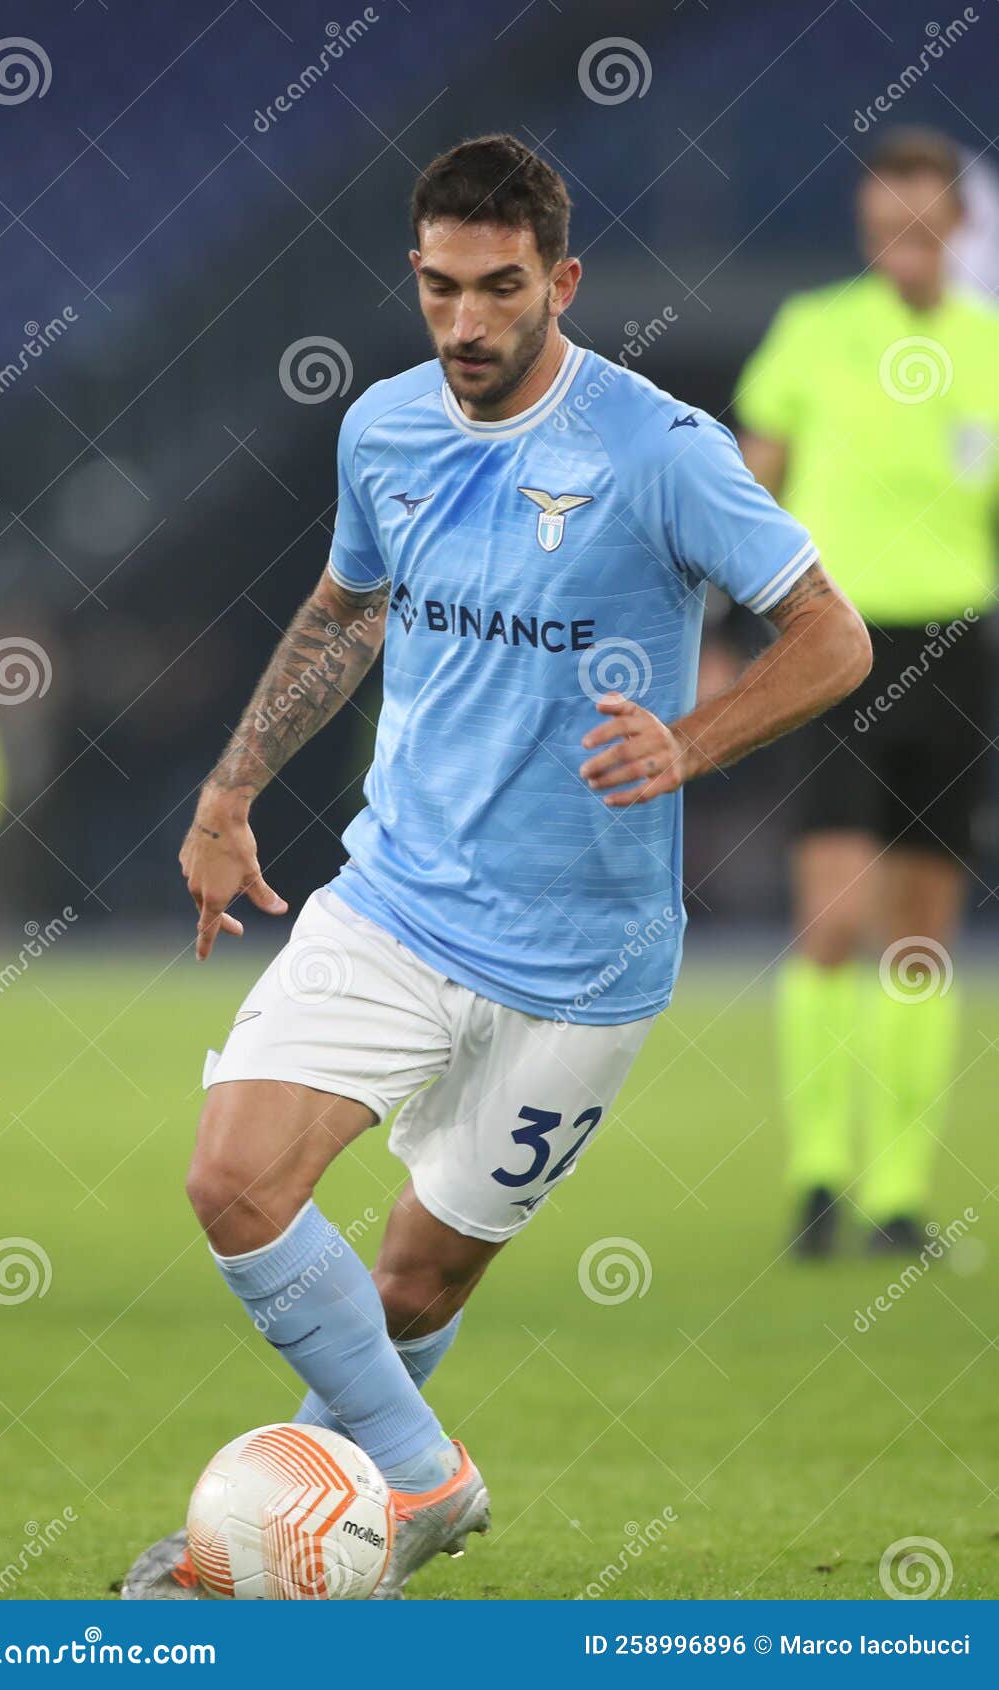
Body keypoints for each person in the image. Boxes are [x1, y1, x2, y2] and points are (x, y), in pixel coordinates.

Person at [123, 133, 870, 1600]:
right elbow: (342, 614)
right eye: (439, 289)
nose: (465, 323)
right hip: (395, 901)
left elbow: (832, 639)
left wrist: (689, 740)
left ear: (561, 281)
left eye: (499, 289)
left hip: (582, 961)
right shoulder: (387, 431)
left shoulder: (658, 452)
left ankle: (284, 1536)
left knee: (412, 1286)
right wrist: (229, 790)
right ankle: (419, 1479)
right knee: (232, 1182)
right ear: (415, 277)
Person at [736, 127, 999, 1258]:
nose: (898, 234)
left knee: (920, 939)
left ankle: (895, 1200)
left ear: (954, 222)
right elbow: (748, 491)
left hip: (954, 648)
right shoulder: (810, 332)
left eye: (918, 213)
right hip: (836, 652)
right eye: (880, 215)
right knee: (834, 921)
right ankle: (816, 1181)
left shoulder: (988, 347)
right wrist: (721, 631)